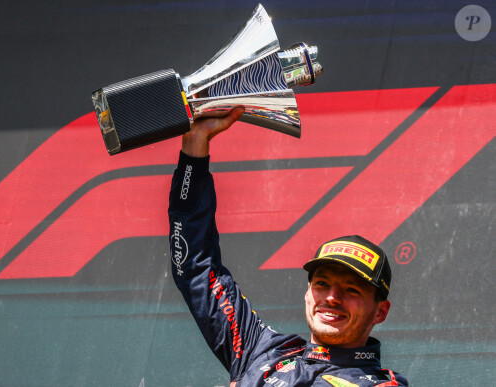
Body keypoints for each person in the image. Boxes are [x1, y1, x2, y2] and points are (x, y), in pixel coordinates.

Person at [168, 107, 408, 386]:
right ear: (308, 294)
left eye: (352, 289)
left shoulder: (381, 385)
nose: (332, 297)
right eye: (321, 284)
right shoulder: (263, 351)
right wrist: (194, 145)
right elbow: (196, 268)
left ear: (380, 311)